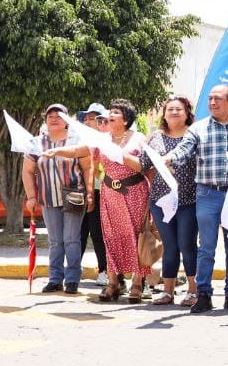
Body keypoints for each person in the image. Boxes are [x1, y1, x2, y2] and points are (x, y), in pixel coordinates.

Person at [53, 99, 149, 303]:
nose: (110, 115)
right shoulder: (102, 138)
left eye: (115, 112)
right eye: (110, 112)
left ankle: (138, 283)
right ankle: (113, 283)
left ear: (126, 119)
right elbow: (81, 151)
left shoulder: (138, 138)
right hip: (109, 193)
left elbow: (144, 166)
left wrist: (120, 154)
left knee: (134, 236)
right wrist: (57, 151)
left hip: (133, 192)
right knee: (111, 237)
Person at [171, 85, 228, 313]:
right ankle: (204, 294)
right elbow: (183, 149)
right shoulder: (198, 128)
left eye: (217, 99)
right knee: (206, 247)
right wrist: (169, 158)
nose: (213, 103)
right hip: (207, 193)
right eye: (210, 99)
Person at [24, 104, 94, 294]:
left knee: (71, 239)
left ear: (67, 121)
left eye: (59, 115)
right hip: (48, 197)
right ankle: (55, 279)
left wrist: (89, 192)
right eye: (50, 115)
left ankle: (72, 279)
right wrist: (31, 196)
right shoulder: (36, 143)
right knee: (55, 240)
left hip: (73, 196)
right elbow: (28, 171)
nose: (54, 118)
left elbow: (88, 168)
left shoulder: (77, 141)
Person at [143, 96, 200, 306]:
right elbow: (143, 164)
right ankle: (168, 292)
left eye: (179, 109)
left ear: (187, 114)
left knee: (187, 244)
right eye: (170, 109)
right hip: (160, 202)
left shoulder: (194, 135)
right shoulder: (154, 137)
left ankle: (194, 291)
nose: (174, 113)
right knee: (170, 245)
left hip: (189, 200)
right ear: (164, 114)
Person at [79, 102, 109, 288]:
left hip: (102, 191)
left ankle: (104, 270)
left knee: (98, 233)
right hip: (80, 190)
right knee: (79, 232)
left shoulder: (108, 139)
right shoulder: (79, 138)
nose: (91, 121)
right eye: (88, 118)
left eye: (96, 118)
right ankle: (75, 268)